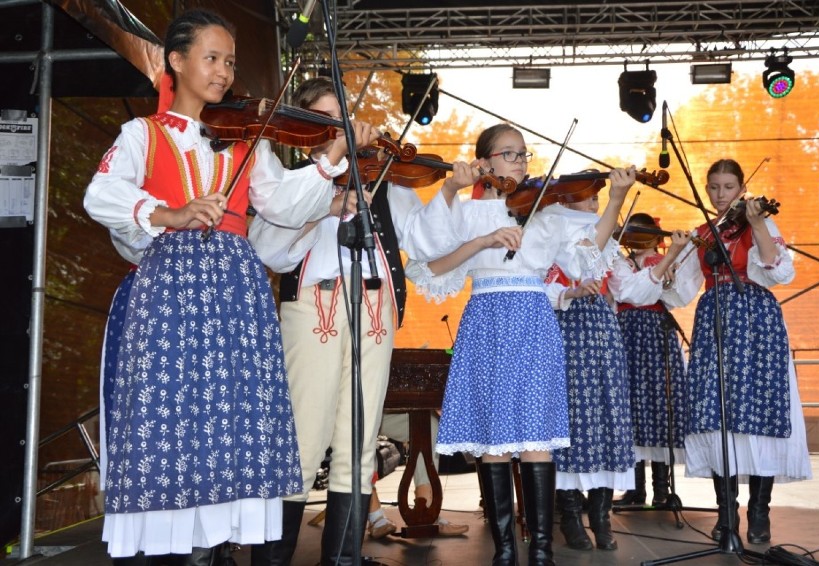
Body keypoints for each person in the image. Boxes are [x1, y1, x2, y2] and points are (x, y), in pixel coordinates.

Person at [84, 10, 377, 564]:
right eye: (211, 58)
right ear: (176, 60)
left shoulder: (247, 139)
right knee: (172, 422)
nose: (222, 72)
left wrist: (331, 159)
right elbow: (101, 194)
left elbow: (285, 206)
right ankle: (172, 551)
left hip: (236, 297)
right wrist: (168, 213)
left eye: (230, 62)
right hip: (170, 296)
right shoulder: (140, 134)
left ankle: (213, 551)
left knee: (232, 427)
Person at [248, 77, 474, 565]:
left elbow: (427, 241)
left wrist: (452, 189)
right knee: (303, 441)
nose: (337, 129)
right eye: (323, 121)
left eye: (341, 119)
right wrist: (326, 202)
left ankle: (343, 560)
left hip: (376, 309)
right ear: (302, 129)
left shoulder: (382, 174)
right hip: (316, 306)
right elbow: (270, 248)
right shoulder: (292, 179)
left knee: (360, 443)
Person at [404, 123, 636, 565]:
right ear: (485, 161)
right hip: (486, 320)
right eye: (509, 154)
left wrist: (619, 199)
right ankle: (505, 550)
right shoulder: (468, 212)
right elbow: (430, 263)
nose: (519, 163)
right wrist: (481, 235)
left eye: (523, 154)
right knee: (493, 443)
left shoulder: (544, 211)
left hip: (532, 319)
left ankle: (542, 552)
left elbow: (588, 254)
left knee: (536, 440)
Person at [662, 158, 812, 544]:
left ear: (741, 189)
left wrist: (758, 222)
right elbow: (680, 293)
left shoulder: (757, 221)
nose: (719, 195)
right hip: (714, 323)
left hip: (757, 322)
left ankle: (759, 513)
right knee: (717, 414)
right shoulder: (702, 234)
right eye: (713, 187)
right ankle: (726, 514)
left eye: (728, 187)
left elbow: (779, 273)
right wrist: (670, 264)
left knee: (759, 412)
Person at [544, 192, 635, 552]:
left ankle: (601, 514)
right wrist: (572, 293)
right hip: (567, 330)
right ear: (566, 201)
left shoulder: (607, 239)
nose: (594, 205)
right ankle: (568, 515)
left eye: (597, 198)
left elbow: (628, 289)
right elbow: (542, 286)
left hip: (603, 332)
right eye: (585, 199)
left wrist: (665, 263)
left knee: (608, 418)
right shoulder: (553, 232)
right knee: (572, 419)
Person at [607, 213, 691, 509]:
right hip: (627, 334)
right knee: (632, 409)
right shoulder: (619, 261)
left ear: (657, 238)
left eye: (646, 237)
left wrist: (664, 260)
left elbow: (667, 293)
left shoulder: (657, 261)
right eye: (633, 236)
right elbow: (625, 291)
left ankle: (662, 489)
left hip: (655, 335)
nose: (640, 244)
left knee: (658, 406)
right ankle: (636, 489)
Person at [368, 412, 470, 538]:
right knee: (357, 423)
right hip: (355, 409)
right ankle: (375, 516)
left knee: (428, 424)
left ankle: (426, 510)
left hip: (385, 409)